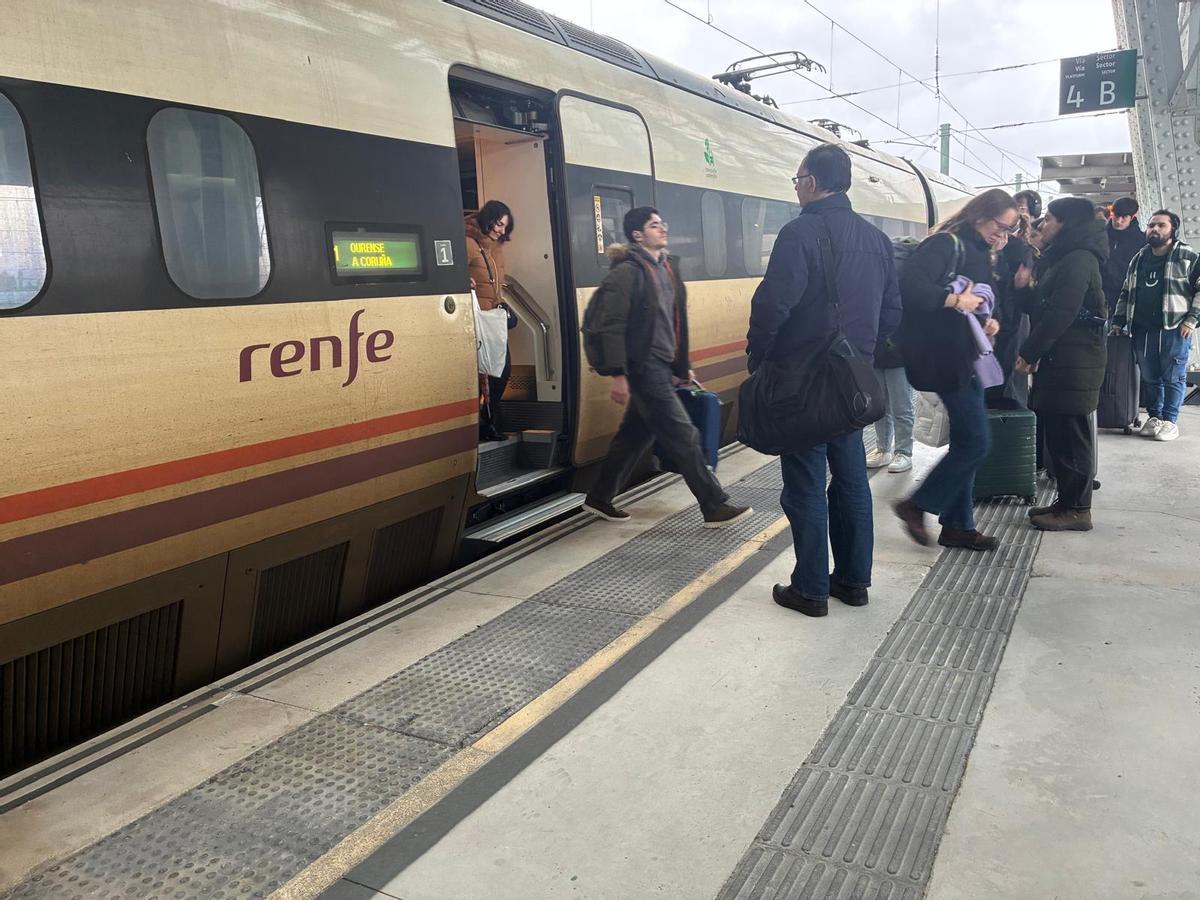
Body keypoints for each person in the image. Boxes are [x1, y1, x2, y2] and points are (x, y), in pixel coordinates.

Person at [746, 143, 901, 618]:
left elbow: (773, 304)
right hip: (852, 383)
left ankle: (810, 588)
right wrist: (861, 354)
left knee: (805, 483)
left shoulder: (800, 234)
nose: (796, 188)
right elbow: (892, 313)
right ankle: (854, 582)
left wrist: (761, 354)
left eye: (797, 180)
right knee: (852, 480)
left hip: (803, 383)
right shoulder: (876, 241)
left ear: (812, 183)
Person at [583, 207, 752, 528]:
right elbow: (613, 325)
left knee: (634, 435)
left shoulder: (667, 268)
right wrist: (618, 374)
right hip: (643, 367)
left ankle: (599, 497)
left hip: (662, 365)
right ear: (637, 235)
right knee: (684, 435)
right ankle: (714, 506)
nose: (663, 229)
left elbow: (677, 322)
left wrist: (681, 364)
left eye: (663, 223)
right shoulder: (627, 273)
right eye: (654, 225)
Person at [893, 189, 1014, 551]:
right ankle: (917, 504)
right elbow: (909, 288)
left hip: (967, 354)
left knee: (967, 440)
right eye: (999, 226)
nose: (1002, 236)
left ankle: (958, 525)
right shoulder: (945, 244)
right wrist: (954, 300)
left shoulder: (980, 252)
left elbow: (984, 299)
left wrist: (990, 321)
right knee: (977, 442)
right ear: (980, 215)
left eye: (1008, 230)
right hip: (944, 357)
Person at [1016, 197, 1109, 531]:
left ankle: (1078, 509)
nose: (1044, 225)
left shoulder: (1079, 260)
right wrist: (1023, 290)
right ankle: (1067, 502)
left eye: (1051, 219)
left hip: (1075, 361)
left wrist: (1029, 352)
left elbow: (1061, 313)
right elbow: (1046, 304)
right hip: (1065, 360)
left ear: (1068, 224)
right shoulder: (1066, 257)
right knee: (1060, 435)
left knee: (1072, 437)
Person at [1111, 208, 1200, 442]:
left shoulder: (1187, 255)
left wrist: (1192, 320)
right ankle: (1155, 417)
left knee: (1173, 377)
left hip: (1174, 327)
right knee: (1150, 377)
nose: (1154, 229)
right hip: (1142, 328)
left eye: (1161, 225)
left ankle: (1170, 421)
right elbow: (1126, 292)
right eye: (1151, 225)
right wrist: (1119, 321)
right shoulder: (1139, 257)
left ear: (1173, 229)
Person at [465, 201, 516, 442]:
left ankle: (486, 422)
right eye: (498, 224)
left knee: (499, 371)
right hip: (478, 319)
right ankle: (483, 424)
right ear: (488, 219)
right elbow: (450, 269)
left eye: (505, 227)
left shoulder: (494, 247)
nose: (501, 231)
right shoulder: (468, 243)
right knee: (492, 372)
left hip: (492, 318)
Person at [867, 335, 915, 473]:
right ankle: (883, 449)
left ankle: (904, 451)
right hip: (876, 353)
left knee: (901, 407)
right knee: (879, 407)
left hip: (900, 355)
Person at [1104, 197, 1144, 308]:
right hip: (1101, 297)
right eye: (1116, 216)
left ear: (1132, 217)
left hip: (1128, 298)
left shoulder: (1142, 241)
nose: (1118, 221)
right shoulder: (1099, 237)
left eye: (1124, 217)